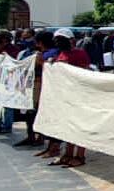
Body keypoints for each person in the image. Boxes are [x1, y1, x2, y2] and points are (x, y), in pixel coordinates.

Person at [38, 29, 92, 165]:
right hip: (65, 96)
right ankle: (68, 154)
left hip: (78, 95)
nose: (58, 43)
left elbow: (84, 72)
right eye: (56, 40)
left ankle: (79, 156)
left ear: (71, 40)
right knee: (68, 126)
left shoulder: (80, 53)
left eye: (61, 40)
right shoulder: (61, 54)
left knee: (79, 126)